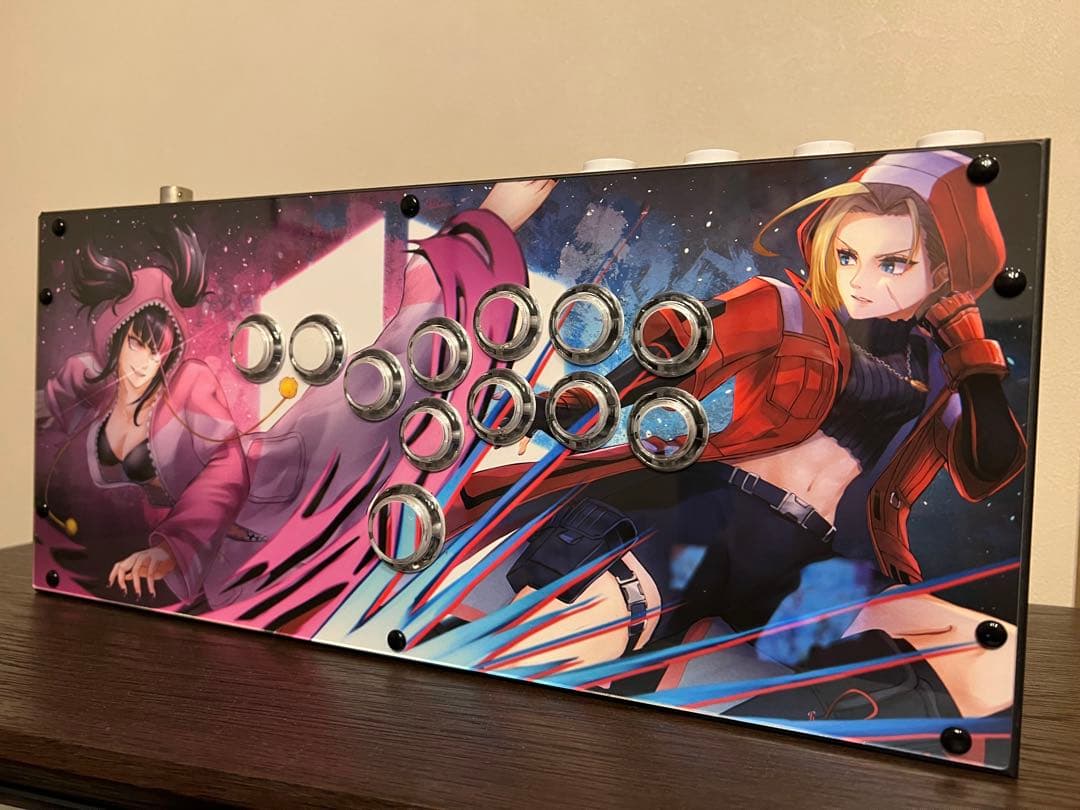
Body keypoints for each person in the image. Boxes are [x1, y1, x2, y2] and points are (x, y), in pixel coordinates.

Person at [452, 151, 1025, 716]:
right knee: (554, 645)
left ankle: (755, 742)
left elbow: (988, 471)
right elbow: (667, 360)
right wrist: (545, 413)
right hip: (706, 515)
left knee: (992, 658)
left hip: (806, 565)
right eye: (847, 255)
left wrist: (973, 359)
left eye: (893, 263)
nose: (861, 281)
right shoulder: (784, 304)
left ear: (942, 273)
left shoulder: (941, 375)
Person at [36, 181, 556, 610]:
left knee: (387, 385)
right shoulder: (84, 386)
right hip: (232, 545)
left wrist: (174, 548)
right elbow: (58, 412)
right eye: (136, 343)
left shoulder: (187, 386)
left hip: (282, 478)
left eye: (159, 346)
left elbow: (224, 470)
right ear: (113, 342)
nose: (146, 361)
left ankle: (478, 234)